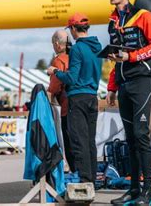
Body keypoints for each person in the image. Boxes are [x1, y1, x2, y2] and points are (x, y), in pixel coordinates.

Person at [103, 0, 151, 205]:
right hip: (123, 83)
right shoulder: (112, 21)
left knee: (141, 136)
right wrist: (111, 86)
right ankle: (133, 189)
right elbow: (115, 58)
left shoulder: (143, 15)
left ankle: (148, 192)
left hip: (142, 80)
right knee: (129, 138)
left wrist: (132, 56)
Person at [47, 13, 102, 183]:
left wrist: (55, 72)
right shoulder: (97, 47)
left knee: (79, 142)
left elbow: (71, 78)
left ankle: (85, 181)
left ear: (72, 28)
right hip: (93, 96)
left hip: (77, 98)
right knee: (90, 142)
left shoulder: (78, 48)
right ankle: (92, 178)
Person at [46, 29, 73, 170]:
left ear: (57, 44)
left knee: (69, 142)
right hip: (83, 102)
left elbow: (55, 88)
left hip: (66, 106)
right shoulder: (75, 57)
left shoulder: (58, 60)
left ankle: (75, 172)